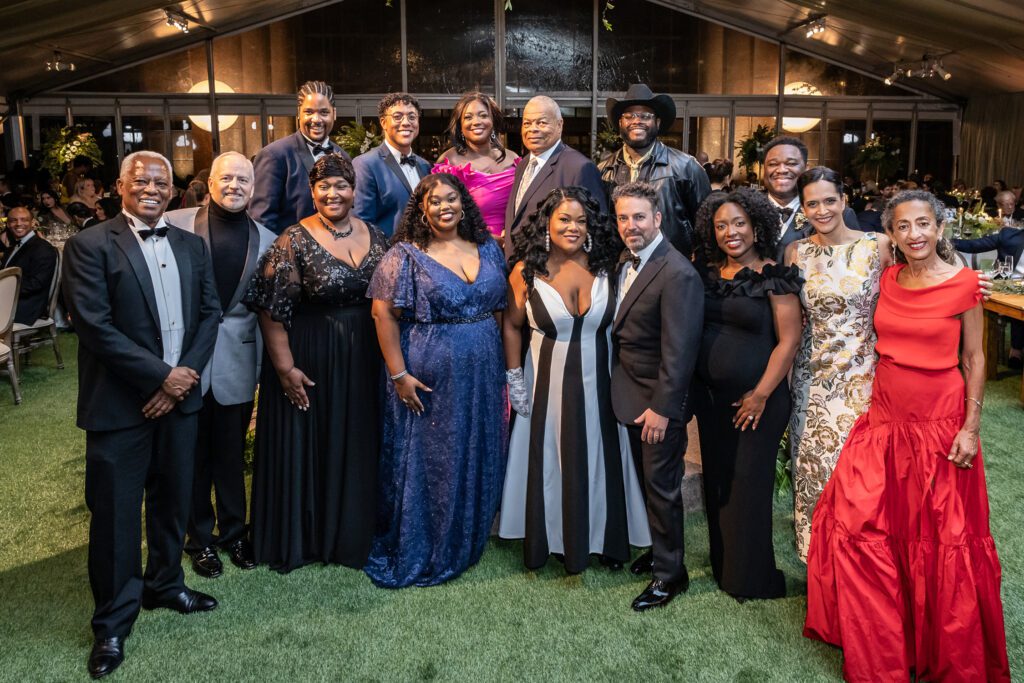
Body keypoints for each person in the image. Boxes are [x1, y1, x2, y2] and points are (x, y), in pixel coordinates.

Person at [804, 190, 1010, 682]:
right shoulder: (889, 279)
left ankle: (942, 648)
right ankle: (887, 640)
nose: (914, 234)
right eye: (903, 226)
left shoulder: (965, 284)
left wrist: (971, 427)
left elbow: (975, 359)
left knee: (943, 537)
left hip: (941, 425)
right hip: (885, 421)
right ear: (890, 235)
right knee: (863, 524)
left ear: (940, 229)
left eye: (923, 224)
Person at [61, 151, 221, 679]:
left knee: (173, 499)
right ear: (119, 186)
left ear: (173, 191)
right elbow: (94, 326)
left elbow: (210, 314)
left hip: (180, 398)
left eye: (162, 181)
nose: (152, 187)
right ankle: (111, 621)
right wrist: (160, 377)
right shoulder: (88, 245)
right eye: (141, 180)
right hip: (119, 405)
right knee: (114, 515)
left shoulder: (191, 245)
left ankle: (165, 585)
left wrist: (183, 379)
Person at [243, 153, 387, 573]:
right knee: (313, 441)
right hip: (311, 356)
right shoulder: (293, 238)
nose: (333, 193)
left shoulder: (377, 234)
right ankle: (307, 535)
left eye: (341, 185)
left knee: (355, 440)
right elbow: (270, 311)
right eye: (324, 186)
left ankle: (349, 534)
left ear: (353, 189)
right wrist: (285, 369)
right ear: (312, 191)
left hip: (364, 356)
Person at [366, 173, 508, 588]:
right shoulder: (405, 255)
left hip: (483, 369)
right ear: (422, 210)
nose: (445, 206)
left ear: (463, 203)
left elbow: (499, 308)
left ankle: (468, 532)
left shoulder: (488, 249)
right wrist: (399, 375)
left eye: (451, 199)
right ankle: (425, 541)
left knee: (474, 446)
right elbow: (382, 315)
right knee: (431, 456)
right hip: (427, 374)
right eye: (435, 201)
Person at [498, 186, 650, 574]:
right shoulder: (525, 271)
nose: (573, 227)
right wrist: (515, 378)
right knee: (551, 461)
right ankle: (555, 539)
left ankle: (605, 540)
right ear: (547, 222)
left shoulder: (610, 266)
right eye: (564, 219)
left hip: (602, 384)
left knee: (602, 460)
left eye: (581, 220)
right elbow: (512, 326)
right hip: (545, 386)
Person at [166, 152, 276, 578]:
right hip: (185, 360)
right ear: (209, 183)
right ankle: (199, 538)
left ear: (253, 188)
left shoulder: (268, 239)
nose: (234, 186)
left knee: (230, 455)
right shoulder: (175, 225)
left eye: (242, 180)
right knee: (192, 455)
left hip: (237, 358)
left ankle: (234, 532)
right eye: (226, 178)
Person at [689, 188, 802, 602]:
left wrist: (760, 395)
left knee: (748, 489)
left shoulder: (775, 275)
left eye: (739, 223)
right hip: (712, 403)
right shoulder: (705, 272)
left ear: (757, 226)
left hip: (758, 402)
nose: (730, 232)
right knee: (718, 483)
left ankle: (750, 578)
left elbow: (788, 342)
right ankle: (725, 568)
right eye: (721, 225)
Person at [785, 168, 891, 563]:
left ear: (844, 201)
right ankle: (820, 568)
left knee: (860, 481)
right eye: (812, 202)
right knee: (814, 476)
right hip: (812, 385)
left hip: (865, 381)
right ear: (803, 207)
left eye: (829, 200)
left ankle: (864, 570)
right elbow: (793, 321)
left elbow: (913, 287)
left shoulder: (877, 246)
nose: (822, 209)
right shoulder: (797, 253)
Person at [609, 181, 703, 611]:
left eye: (640, 217)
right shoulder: (623, 262)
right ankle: (660, 553)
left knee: (663, 489)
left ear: (658, 219)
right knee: (649, 487)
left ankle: (671, 575)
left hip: (656, 406)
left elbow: (680, 353)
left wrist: (663, 411)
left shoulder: (677, 272)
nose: (631, 225)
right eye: (624, 218)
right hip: (629, 396)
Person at [598, 84, 710, 259]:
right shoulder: (604, 170)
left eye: (645, 116)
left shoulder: (686, 167)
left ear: (657, 122)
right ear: (620, 123)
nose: (637, 121)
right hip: (619, 270)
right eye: (630, 116)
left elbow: (706, 225)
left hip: (670, 267)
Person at [505, 96, 607, 259]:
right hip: (516, 272)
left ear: (559, 125)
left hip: (553, 275)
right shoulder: (523, 165)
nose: (533, 129)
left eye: (542, 122)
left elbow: (597, 231)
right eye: (527, 123)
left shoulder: (579, 167)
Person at [250, 81, 349, 234]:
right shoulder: (274, 155)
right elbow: (262, 221)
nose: (316, 119)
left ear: (334, 114)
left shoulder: (343, 156)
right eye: (309, 112)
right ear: (299, 114)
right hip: (289, 253)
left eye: (324, 112)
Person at [434, 92, 520, 241]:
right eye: (468, 117)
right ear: (460, 125)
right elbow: (439, 215)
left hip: (512, 247)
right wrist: (489, 239)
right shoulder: (449, 161)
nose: (476, 121)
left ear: (493, 120)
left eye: (483, 115)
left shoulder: (514, 159)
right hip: (470, 248)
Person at [760, 136, 859, 260]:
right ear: (764, 169)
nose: (782, 170)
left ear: (806, 168)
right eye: (773, 164)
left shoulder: (839, 214)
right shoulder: (747, 212)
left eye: (791, 163)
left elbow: (853, 264)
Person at [353, 93, 433, 237]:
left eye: (412, 117)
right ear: (383, 122)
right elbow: (363, 223)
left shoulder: (425, 166)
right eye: (397, 117)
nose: (406, 122)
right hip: (388, 254)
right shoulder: (366, 164)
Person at [954, 213, 1024, 369]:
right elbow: (974, 246)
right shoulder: (1010, 236)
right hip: (1007, 288)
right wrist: (941, 240)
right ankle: (1016, 351)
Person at [2, 206, 58, 325]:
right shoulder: (13, 246)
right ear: (8, 224)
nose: (18, 223)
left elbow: (36, 283)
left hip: (25, 307)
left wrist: (4, 290)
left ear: (32, 223)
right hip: (8, 300)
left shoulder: (42, 248)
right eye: (13, 220)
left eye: (24, 220)